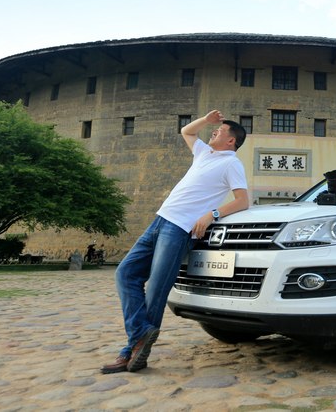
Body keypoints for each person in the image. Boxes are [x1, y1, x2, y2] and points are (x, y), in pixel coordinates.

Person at [101, 110, 249, 374]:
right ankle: (140, 335)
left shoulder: (231, 164)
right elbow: (187, 131)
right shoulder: (204, 153)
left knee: (156, 291)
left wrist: (212, 214)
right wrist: (207, 120)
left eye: (220, 130)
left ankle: (131, 351)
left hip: (179, 230)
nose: (214, 131)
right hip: (159, 221)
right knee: (125, 273)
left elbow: (242, 201)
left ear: (231, 140)